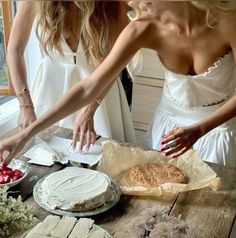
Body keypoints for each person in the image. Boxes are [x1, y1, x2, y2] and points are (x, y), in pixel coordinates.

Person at [1, 0, 236, 168]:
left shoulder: (228, 20)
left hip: (221, 131)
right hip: (168, 132)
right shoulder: (143, 27)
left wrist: (201, 128)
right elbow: (87, 87)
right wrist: (26, 133)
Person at [6, 1, 136, 151]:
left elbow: (115, 61)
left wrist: (89, 109)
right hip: (49, 91)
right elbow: (14, 49)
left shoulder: (113, 3)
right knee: (46, 161)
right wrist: (25, 106)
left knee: (104, 161)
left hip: (100, 90)